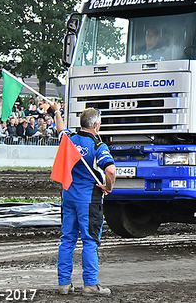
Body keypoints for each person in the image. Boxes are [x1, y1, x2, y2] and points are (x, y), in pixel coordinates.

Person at [52, 102, 116, 297]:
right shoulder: (98, 145)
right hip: (88, 199)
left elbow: (60, 128)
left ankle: (64, 284)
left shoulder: (69, 139)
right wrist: (108, 186)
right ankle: (90, 284)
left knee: (67, 239)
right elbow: (111, 170)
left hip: (68, 196)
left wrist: (56, 111)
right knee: (89, 241)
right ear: (96, 125)